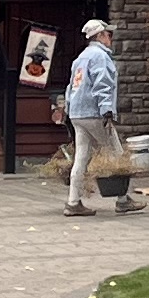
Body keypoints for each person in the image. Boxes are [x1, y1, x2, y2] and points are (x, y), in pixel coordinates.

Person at [62, 17, 124, 215]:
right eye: (108, 34)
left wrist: (68, 108)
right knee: (117, 154)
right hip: (94, 112)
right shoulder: (100, 57)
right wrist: (106, 109)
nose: (110, 38)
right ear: (100, 35)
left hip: (77, 113)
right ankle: (123, 199)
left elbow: (71, 86)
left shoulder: (81, 57)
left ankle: (73, 202)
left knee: (81, 156)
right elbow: (103, 84)